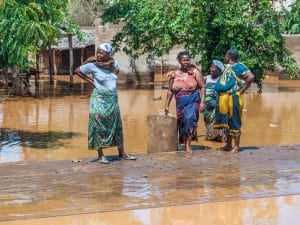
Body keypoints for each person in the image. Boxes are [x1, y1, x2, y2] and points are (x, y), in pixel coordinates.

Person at [75, 43, 137, 164]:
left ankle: (122, 153)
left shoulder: (113, 65)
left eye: (101, 53)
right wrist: (90, 81)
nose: (98, 55)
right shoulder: (92, 66)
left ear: (108, 54)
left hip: (112, 99)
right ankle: (100, 155)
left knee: (116, 125)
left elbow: (115, 75)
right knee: (98, 124)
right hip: (99, 99)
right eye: (97, 52)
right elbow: (77, 71)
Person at [213, 49, 254, 153]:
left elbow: (251, 76)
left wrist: (242, 90)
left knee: (235, 121)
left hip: (233, 97)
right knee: (226, 122)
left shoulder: (239, 66)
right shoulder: (227, 67)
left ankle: (236, 147)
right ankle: (228, 145)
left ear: (228, 57)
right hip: (224, 98)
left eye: (226, 56)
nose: (225, 57)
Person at [164, 51, 206, 153]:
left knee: (190, 119)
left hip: (193, 99)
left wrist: (202, 102)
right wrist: (166, 105)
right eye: (184, 60)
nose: (186, 62)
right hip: (180, 102)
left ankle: (187, 145)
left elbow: (202, 87)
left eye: (188, 60)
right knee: (182, 122)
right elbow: (170, 91)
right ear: (179, 61)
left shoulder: (194, 72)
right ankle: (183, 141)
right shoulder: (174, 75)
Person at [203, 60, 226, 142]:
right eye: (211, 67)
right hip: (208, 105)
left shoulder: (223, 80)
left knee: (220, 121)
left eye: (214, 67)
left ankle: (221, 138)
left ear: (219, 70)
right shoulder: (206, 78)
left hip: (219, 105)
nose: (211, 69)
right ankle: (211, 137)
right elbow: (201, 89)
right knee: (208, 121)